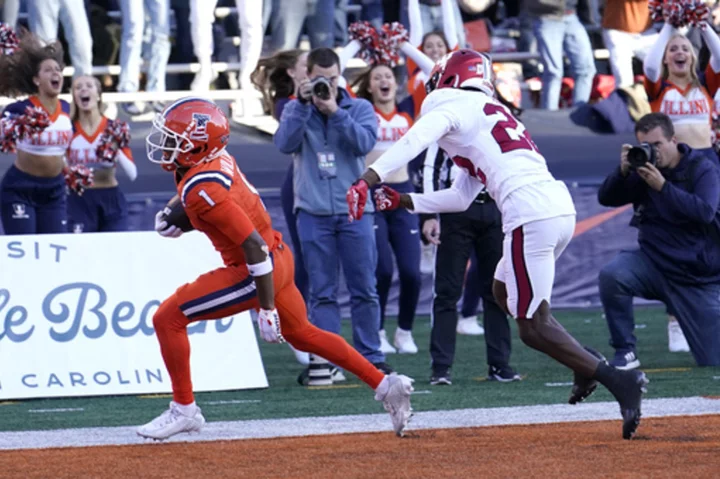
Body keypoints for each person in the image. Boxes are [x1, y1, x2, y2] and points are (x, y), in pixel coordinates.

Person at [346, 49, 649, 440]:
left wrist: (368, 178)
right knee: (504, 292)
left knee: (531, 326)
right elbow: (461, 196)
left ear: (448, 78)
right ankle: (585, 362)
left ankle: (619, 381)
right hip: (550, 209)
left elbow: (414, 139)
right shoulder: (487, 111)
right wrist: (405, 200)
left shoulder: (452, 103)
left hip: (529, 213)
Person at [137, 97, 414, 440]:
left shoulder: (204, 188)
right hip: (277, 255)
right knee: (303, 333)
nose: (165, 145)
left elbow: (249, 243)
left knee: (167, 318)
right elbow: (211, 205)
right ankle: (387, 385)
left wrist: (266, 308)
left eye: (173, 139)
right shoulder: (214, 161)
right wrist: (176, 216)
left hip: (255, 268)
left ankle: (184, 409)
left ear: (197, 144)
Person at [274, 48, 391, 380]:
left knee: (364, 288)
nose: (328, 84)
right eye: (321, 78)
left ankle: (371, 356)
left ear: (341, 75)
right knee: (322, 292)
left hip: (355, 211)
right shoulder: (295, 109)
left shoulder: (360, 107)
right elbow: (284, 144)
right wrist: (301, 105)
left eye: (333, 78)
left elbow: (365, 143)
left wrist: (335, 111)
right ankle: (329, 359)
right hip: (313, 211)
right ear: (307, 75)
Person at [598, 112, 720, 369]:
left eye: (657, 145)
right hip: (653, 265)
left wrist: (663, 187)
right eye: (645, 145)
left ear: (673, 140)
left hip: (695, 277)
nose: (652, 152)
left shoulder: (702, 168)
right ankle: (625, 351)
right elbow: (606, 199)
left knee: (714, 361)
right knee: (613, 274)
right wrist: (621, 172)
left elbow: (705, 212)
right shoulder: (643, 170)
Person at [642, 18, 720, 351]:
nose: (679, 52)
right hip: (671, 169)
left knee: (712, 235)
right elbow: (648, 63)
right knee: (675, 240)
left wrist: (702, 24)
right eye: (673, 49)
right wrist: (668, 27)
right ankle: (675, 321)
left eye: (684, 48)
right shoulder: (658, 88)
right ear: (665, 58)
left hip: (707, 165)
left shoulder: (707, 84)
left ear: (694, 56)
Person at [353, 61, 428, 354]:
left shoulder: (409, 110)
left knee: (412, 272)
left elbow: (429, 71)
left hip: (403, 193)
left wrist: (403, 45)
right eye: (377, 78)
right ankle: (379, 329)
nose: (383, 81)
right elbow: (333, 78)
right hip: (372, 193)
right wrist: (361, 43)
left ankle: (405, 332)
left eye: (388, 77)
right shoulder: (361, 111)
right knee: (382, 270)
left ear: (396, 84)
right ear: (369, 86)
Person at [251, 48, 312, 367]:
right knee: (305, 261)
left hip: (334, 184)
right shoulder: (286, 104)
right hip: (302, 184)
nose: (315, 70)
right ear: (292, 73)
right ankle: (297, 331)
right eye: (308, 66)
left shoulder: (330, 90)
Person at [0, 32, 73, 235]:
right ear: (36, 79)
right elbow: (3, 137)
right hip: (20, 189)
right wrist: (13, 126)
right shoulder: (19, 108)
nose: (55, 73)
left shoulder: (67, 108)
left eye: (57, 69)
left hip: (54, 190)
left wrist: (70, 171)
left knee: (55, 254)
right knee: (25, 252)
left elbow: (60, 152)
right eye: (48, 70)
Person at [66, 75, 137, 233]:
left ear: (98, 94)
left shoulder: (113, 128)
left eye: (89, 86)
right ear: (74, 97)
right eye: (78, 87)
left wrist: (115, 149)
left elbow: (132, 173)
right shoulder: (68, 130)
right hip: (79, 200)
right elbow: (58, 169)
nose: (84, 89)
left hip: (111, 198)